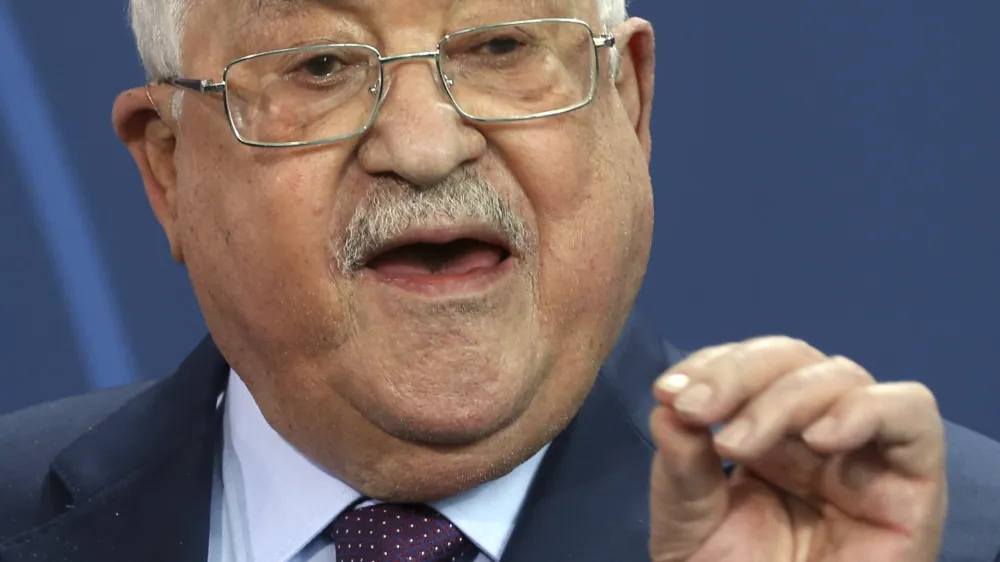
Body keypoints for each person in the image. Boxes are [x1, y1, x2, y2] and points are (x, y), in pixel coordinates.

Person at [1, 0, 999, 560]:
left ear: (632, 104)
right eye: (316, 67)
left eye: (501, 47)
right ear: (169, 169)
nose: (427, 146)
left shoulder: (943, 534)